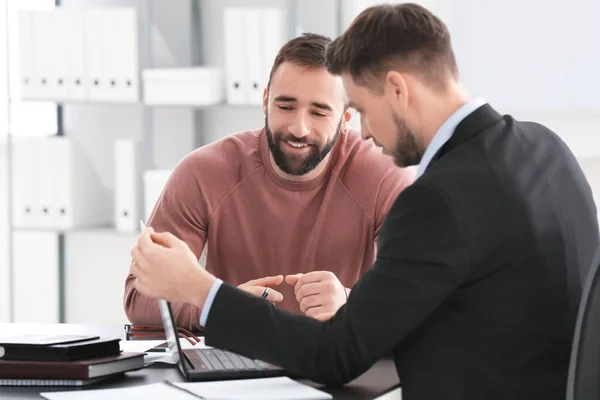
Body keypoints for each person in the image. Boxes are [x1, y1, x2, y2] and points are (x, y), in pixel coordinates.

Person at [129, 3, 600, 400]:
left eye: (364, 112)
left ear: (397, 90)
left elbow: (337, 354)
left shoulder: (436, 200)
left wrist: (202, 291)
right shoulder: (546, 147)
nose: (367, 134)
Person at [123, 33, 414, 331]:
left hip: (339, 363)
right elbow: (139, 296)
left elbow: (421, 299)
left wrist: (351, 303)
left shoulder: (384, 176)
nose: (299, 128)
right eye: (285, 107)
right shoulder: (202, 172)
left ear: (345, 119)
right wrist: (222, 306)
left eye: (319, 112)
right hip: (236, 364)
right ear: (265, 101)